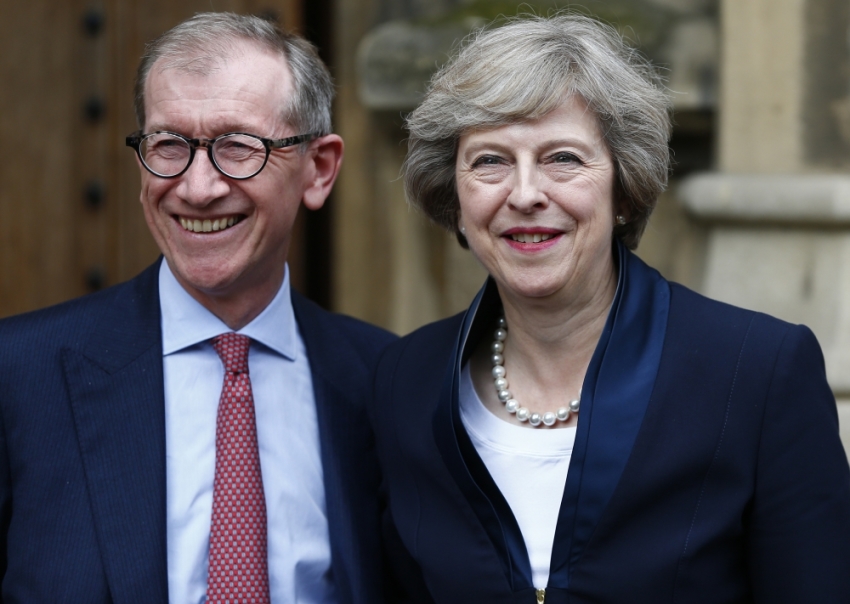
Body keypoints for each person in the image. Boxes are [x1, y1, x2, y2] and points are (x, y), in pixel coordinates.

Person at [371, 14, 850, 604]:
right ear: (455, 195)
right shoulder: (405, 379)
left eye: (563, 158)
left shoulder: (757, 374)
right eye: (490, 161)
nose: (524, 194)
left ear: (624, 188)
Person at [0, 12, 395, 604]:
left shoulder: (386, 382)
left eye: (239, 147)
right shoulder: (18, 375)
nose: (197, 186)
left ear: (318, 169)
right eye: (169, 145)